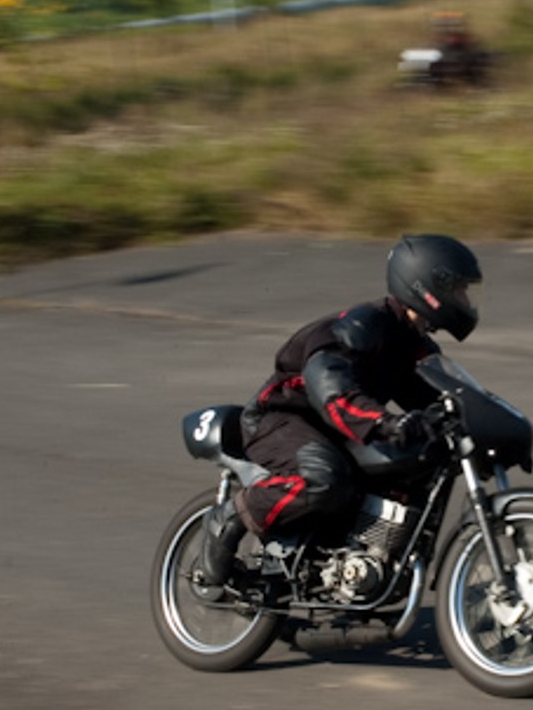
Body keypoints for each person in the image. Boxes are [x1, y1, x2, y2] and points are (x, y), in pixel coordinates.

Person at [193, 234, 484, 598]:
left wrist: (485, 430)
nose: (465, 300)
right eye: (458, 289)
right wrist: (381, 423)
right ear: (426, 284)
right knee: (324, 477)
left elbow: (442, 400)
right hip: (284, 416)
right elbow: (331, 388)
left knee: (416, 461)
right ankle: (231, 517)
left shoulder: (415, 347)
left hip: (335, 429)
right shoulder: (363, 326)